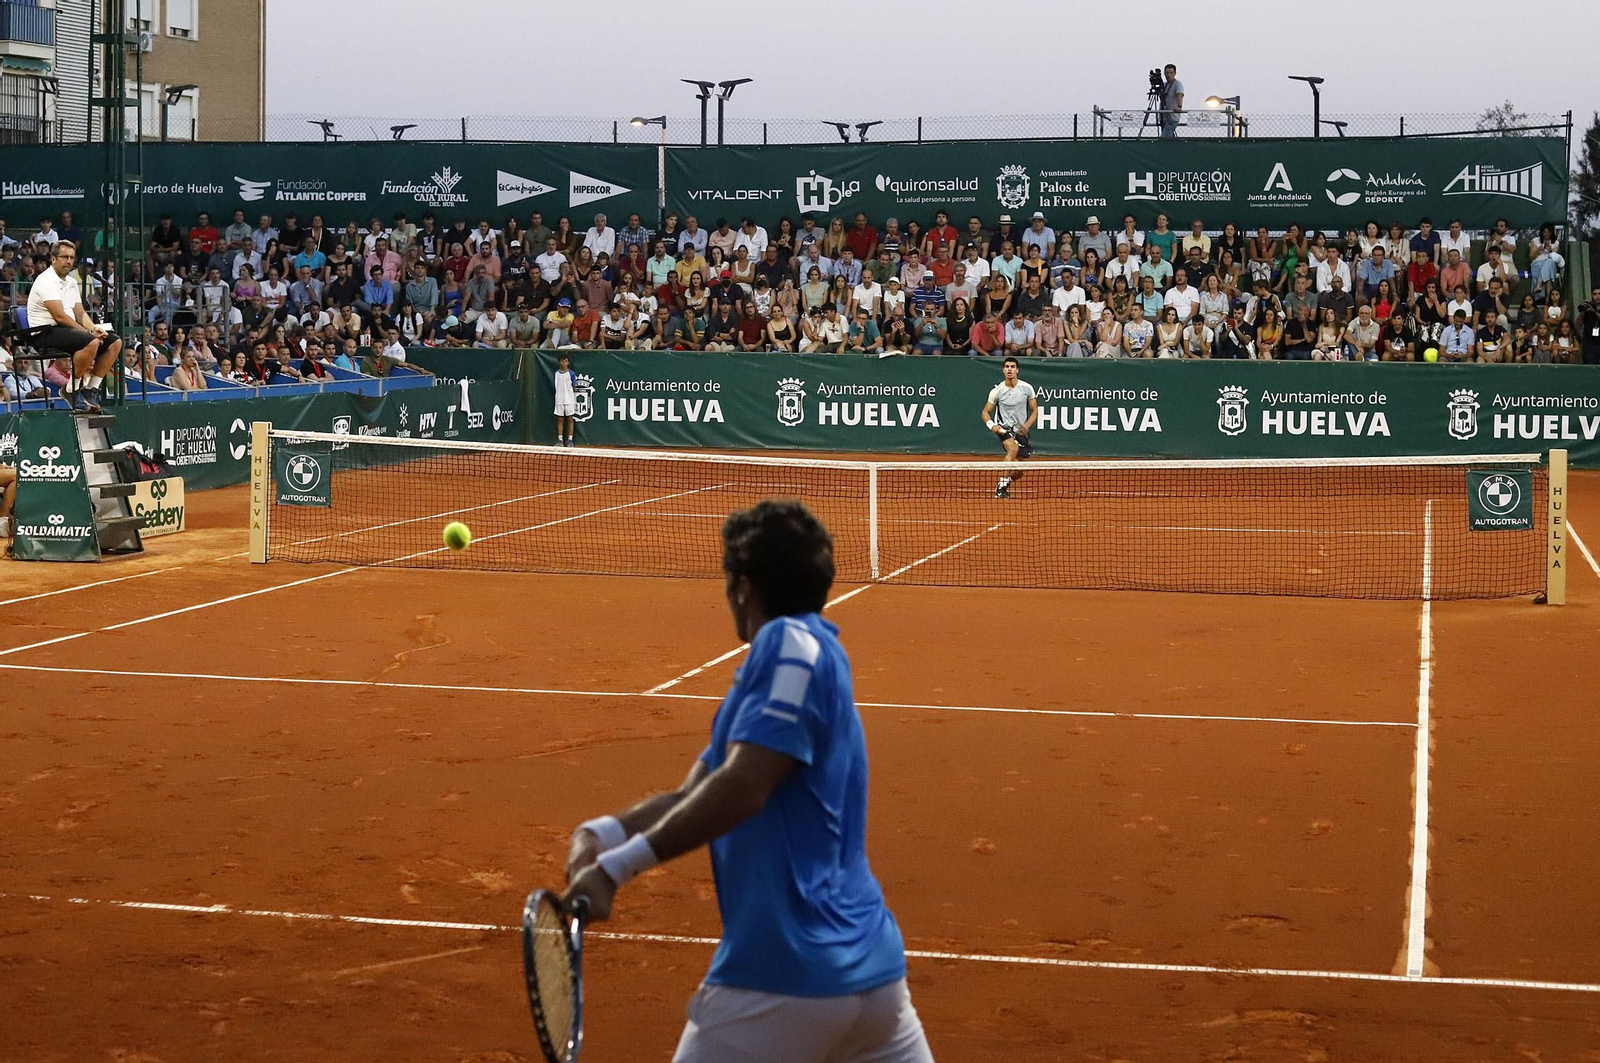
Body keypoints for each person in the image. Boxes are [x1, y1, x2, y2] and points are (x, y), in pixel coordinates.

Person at [562, 499, 932, 1063]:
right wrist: (602, 832)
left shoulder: (790, 648)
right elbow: (697, 792)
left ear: (743, 587)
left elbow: (743, 787)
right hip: (874, 984)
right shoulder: (795, 659)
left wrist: (617, 870)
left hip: (781, 982)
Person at [26, 240, 119, 413]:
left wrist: (95, 328)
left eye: (71, 257)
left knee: (115, 342)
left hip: (65, 330)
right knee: (91, 342)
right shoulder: (46, 280)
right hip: (44, 333)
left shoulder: (71, 282)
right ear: (53, 259)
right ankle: (71, 391)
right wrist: (89, 333)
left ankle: (91, 389)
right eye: (64, 257)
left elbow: (80, 313)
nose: (69, 261)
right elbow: (59, 316)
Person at [982, 356, 1037, 499]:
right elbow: (985, 412)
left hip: (1020, 432)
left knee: (1019, 471)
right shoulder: (997, 391)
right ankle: (1001, 486)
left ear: (1017, 370)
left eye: (1012, 367)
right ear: (1003, 370)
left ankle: (1006, 483)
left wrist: (1027, 425)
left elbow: (1035, 410)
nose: (1009, 369)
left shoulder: (1027, 388)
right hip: (1004, 430)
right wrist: (992, 426)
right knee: (1013, 448)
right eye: (1007, 367)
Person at [553, 353, 578, 446]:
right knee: (560, 419)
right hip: (559, 399)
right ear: (559, 362)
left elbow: (573, 387)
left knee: (570, 419)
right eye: (562, 361)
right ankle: (560, 440)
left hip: (569, 400)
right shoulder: (556, 374)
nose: (564, 363)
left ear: (568, 363)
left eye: (566, 361)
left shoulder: (571, 374)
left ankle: (570, 440)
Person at [1158, 63, 1183, 137]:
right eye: (1167, 73)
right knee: (1169, 139)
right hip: (1164, 117)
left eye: (1171, 73)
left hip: (1172, 117)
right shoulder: (1165, 85)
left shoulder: (1177, 84)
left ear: (1175, 73)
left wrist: (1179, 106)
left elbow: (1180, 95)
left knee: (1164, 137)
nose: (1169, 75)